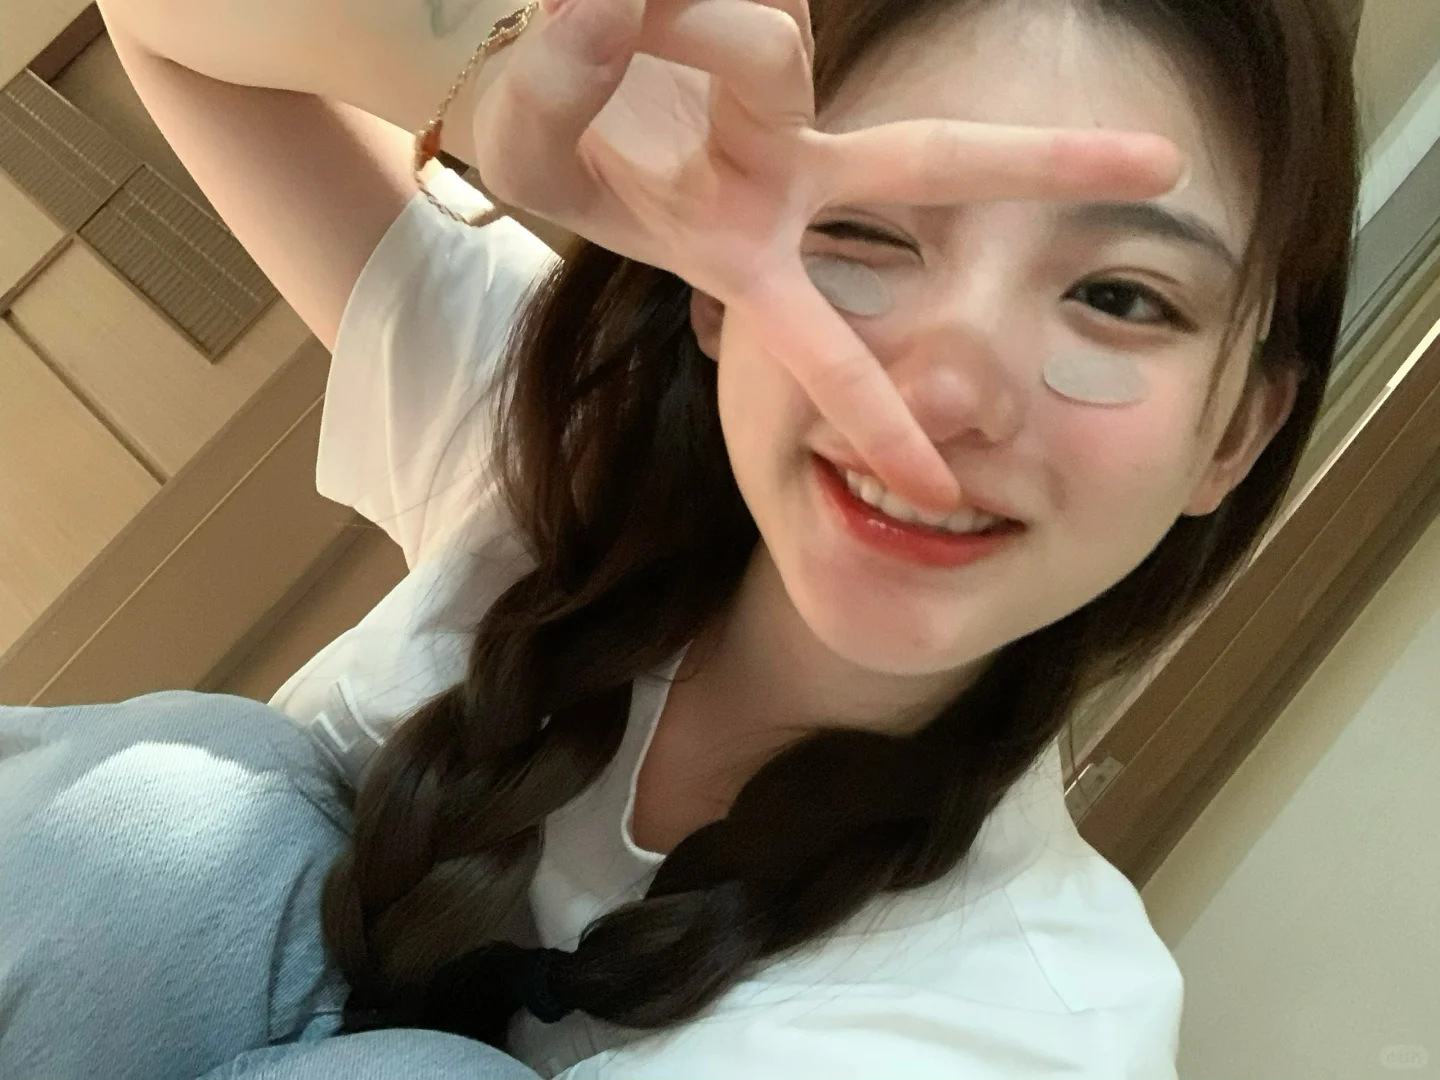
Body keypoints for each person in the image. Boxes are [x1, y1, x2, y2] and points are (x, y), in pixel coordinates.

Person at [0, 0, 1361, 1076]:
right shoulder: (547, 440)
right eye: (867, 231)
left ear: (1236, 434)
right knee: (184, 836)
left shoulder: (1022, 1024)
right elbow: (168, 28)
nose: (943, 395)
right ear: (706, 281)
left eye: (1120, 298)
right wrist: (480, 67)